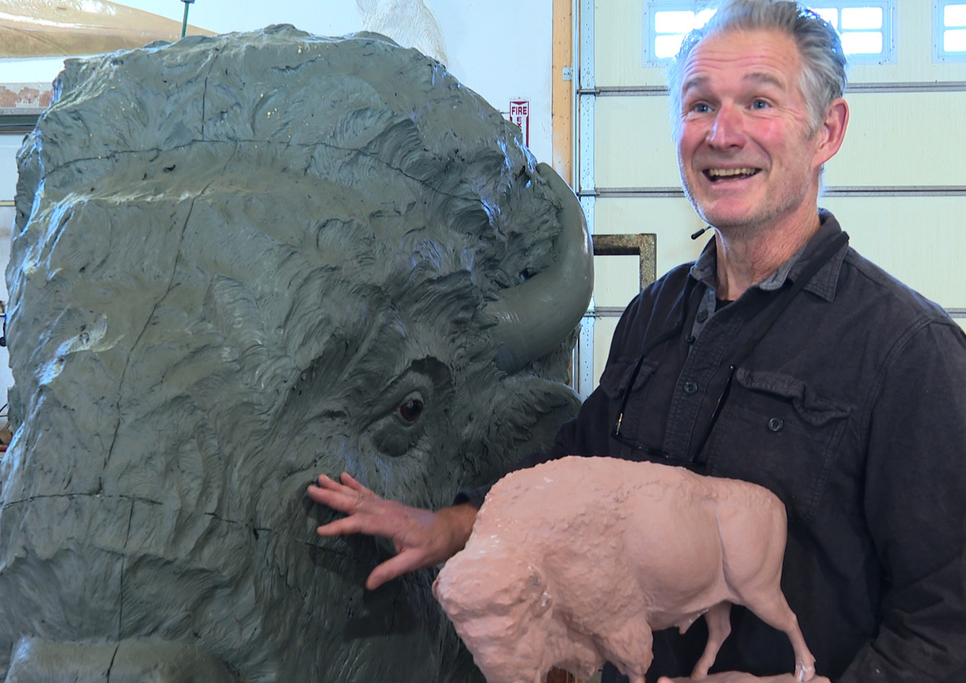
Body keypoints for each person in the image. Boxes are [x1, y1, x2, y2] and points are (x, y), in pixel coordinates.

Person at [307, 1, 966, 681]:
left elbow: (946, 625)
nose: (723, 132)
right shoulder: (654, 314)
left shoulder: (909, 354)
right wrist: (447, 525)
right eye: (700, 104)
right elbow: (573, 468)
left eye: (759, 102)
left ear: (827, 131)